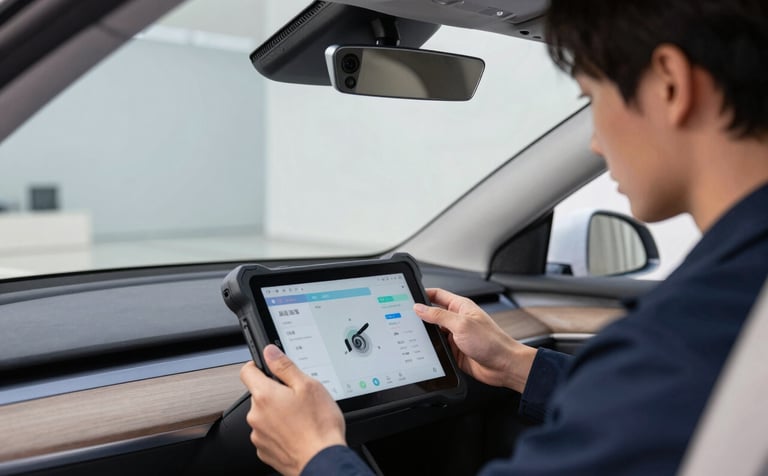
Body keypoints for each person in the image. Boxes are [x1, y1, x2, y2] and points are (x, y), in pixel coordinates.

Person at [239, 1, 768, 474]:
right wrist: (518, 364)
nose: (596, 142)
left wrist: (316, 454)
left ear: (670, 84)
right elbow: (670, 410)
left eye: (592, 99)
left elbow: (656, 394)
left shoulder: (677, 342)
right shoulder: (732, 310)